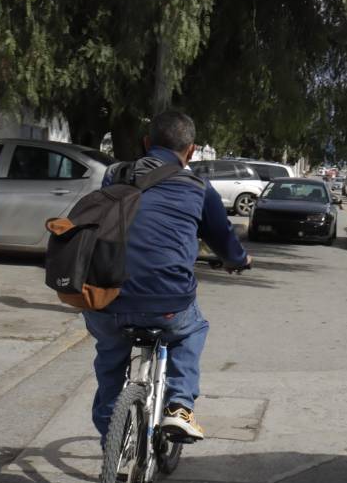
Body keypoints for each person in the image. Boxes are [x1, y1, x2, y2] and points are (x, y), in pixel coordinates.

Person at [82, 110, 250, 443]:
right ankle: (179, 406)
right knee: (192, 328)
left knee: (110, 357)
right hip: (167, 301)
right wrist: (239, 261)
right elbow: (225, 243)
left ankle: (112, 434)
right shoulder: (199, 188)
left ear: (146, 144)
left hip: (105, 295)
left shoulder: (115, 175)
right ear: (191, 151)